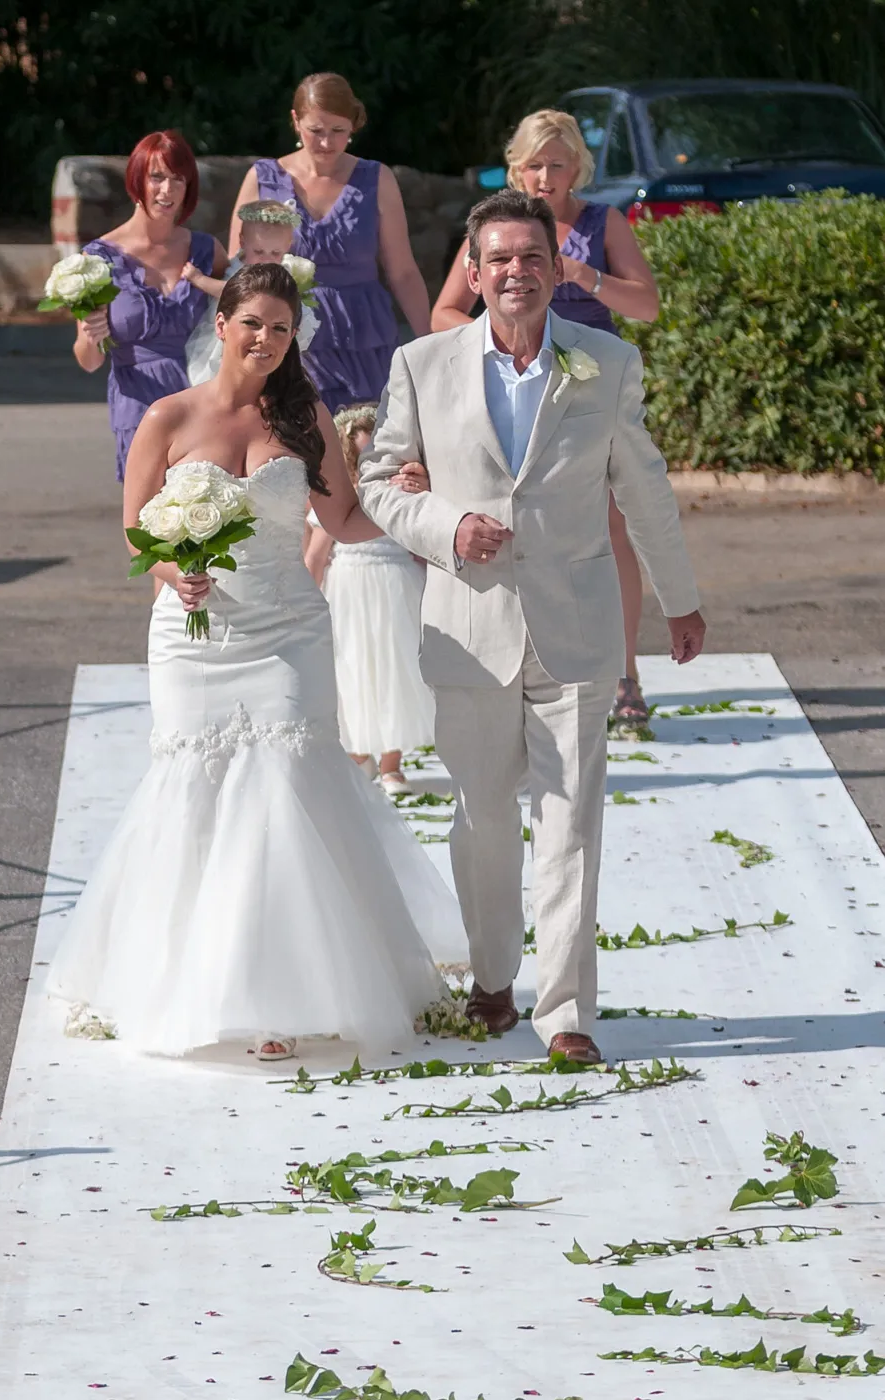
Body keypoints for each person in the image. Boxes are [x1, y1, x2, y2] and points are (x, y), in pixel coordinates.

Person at [48, 262, 465, 1063]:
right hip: (191, 636)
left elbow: (342, 520)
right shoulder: (169, 417)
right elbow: (136, 531)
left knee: (285, 779)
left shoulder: (304, 416)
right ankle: (188, 980)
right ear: (225, 324)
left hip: (288, 630)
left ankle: (283, 995)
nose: (267, 340)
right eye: (254, 324)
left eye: (282, 328)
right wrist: (176, 571)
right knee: (198, 788)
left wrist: (420, 502)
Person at [359, 189, 705, 1065]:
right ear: (473, 274)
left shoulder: (605, 361)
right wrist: (444, 529)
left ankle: (567, 1014)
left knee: (570, 824)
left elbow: (645, 486)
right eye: (500, 259)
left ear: (556, 267)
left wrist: (679, 597)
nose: (517, 272)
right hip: (467, 628)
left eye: (533, 257)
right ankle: (490, 974)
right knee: (481, 818)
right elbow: (373, 485)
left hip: (577, 627)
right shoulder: (421, 364)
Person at [432, 109, 659, 732]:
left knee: (612, 528)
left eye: (558, 165)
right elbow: (443, 313)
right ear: (516, 168)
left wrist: (588, 276)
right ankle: (522, 662)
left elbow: (647, 305)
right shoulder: (497, 232)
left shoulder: (601, 222)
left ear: (577, 168)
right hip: (515, 391)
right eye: (534, 164)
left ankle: (624, 672)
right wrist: (496, 339)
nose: (545, 177)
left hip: (589, 386)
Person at [229, 72, 430, 412]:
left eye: (338, 131)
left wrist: (428, 343)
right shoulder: (262, 178)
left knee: (368, 444)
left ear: (353, 125)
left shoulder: (376, 178)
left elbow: (403, 271)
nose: (326, 142)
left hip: (364, 338)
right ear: (296, 122)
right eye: (316, 131)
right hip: (288, 335)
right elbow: (238, 271)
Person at [74, 129, 229, 481]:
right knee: (150, 525)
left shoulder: (207, 251)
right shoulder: (98, 259)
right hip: (137, 404)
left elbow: (241, 310)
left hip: (202, 400)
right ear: (137, 180)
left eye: (178, 179)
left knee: (208, 516)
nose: (167, 190)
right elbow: (88, 360)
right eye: (156, 177)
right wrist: (89, 335)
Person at [305, 404, 434, 796]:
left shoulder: (397, 493)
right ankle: (359, 753)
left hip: (396, 585)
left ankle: (392, 762)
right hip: (349, 587)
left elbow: (419, 537)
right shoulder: (339, 498)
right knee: (353, 667)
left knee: (397, 667)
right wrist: (306, 599)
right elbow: (316, 555)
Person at [181, 199, 320, 385]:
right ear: (242, 242)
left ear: (288, 246)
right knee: (220, 372)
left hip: (269, 334)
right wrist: (198, 279)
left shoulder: (282, 271)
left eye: (275, 253)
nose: (267, 259)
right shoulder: (240, 269)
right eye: (259, 251)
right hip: (232, 334)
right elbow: (228, 291)